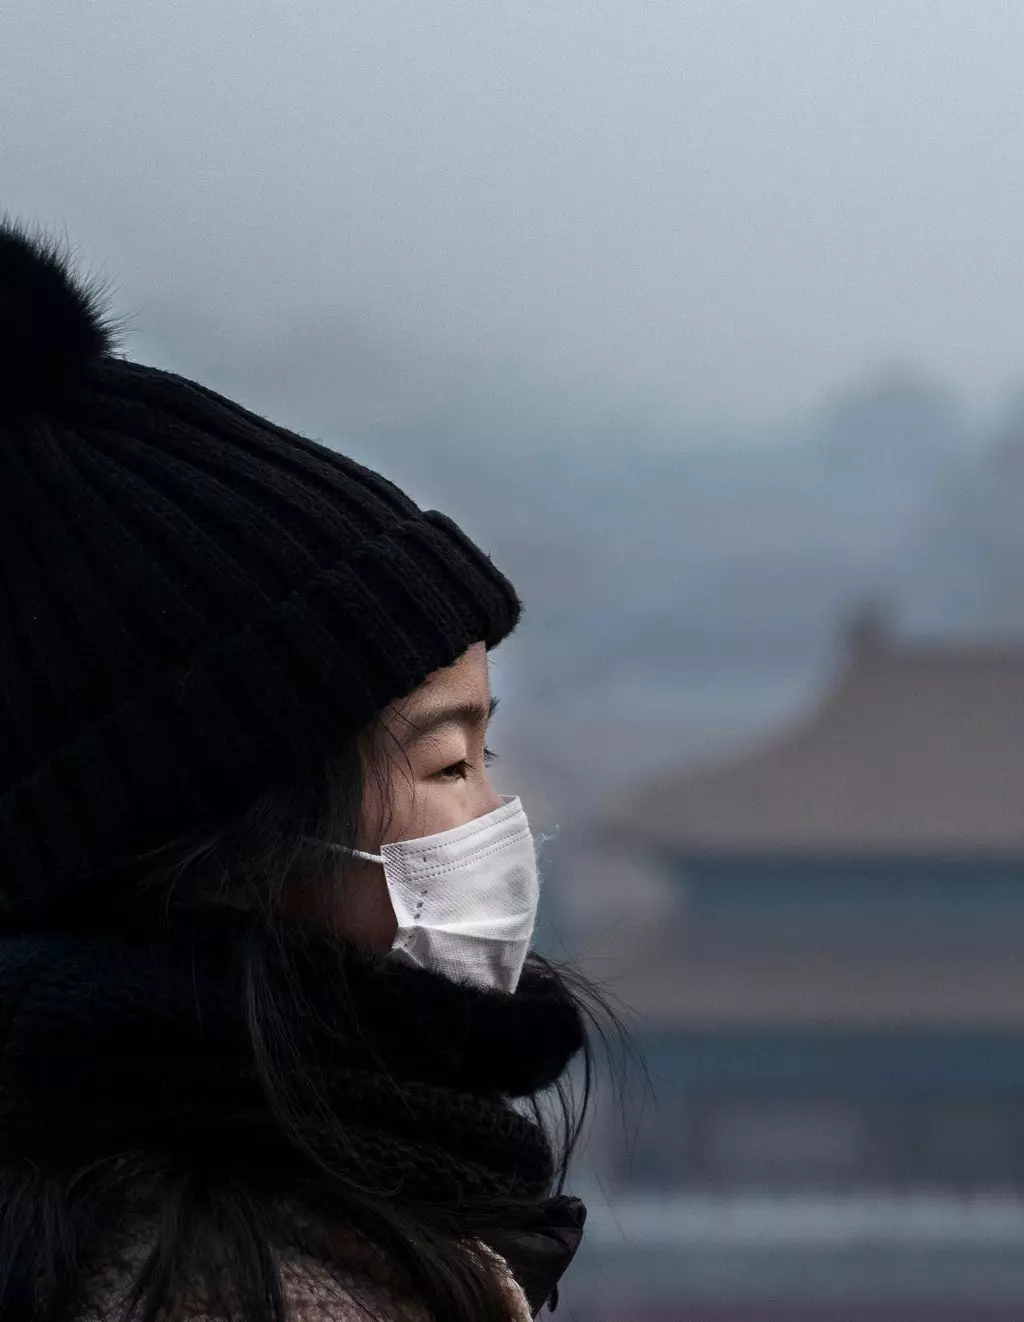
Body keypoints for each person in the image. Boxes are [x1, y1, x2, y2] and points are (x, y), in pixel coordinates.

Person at [0, 222, 595, 1320]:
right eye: (450, 758)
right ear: (233, 839)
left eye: (488, 751)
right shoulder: (236, 1287)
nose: (500, 817)